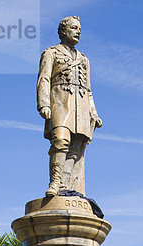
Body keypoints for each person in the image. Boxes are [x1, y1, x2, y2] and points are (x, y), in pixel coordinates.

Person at [37, 16, 102, 197]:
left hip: (80, 105)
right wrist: (43, 104)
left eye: (79, 29)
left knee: (76, 146)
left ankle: (66, 184)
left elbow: (88, 89)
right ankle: (55, 182)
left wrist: (93, 112)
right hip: (60, 101)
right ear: (63, 31)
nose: (78, 31)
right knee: (60, 139)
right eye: (74, 28)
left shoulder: (84, 59)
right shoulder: (51, 53)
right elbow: (44, 79)